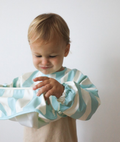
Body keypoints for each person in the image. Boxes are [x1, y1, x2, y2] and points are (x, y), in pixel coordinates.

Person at [0, 13, 100, 142]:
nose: (44, 62)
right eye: (38, 55)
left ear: (66, 50)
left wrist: (63, 91)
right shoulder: (25, 80)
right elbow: (7, 94)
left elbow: (90, 107)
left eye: (52, 56)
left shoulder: (74, 77)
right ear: (31, 49)